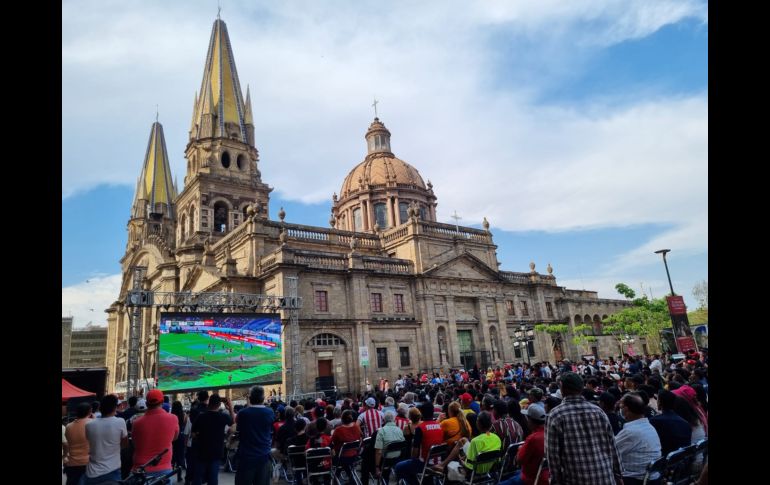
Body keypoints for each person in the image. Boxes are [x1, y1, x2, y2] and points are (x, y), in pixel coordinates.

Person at [546, 372, 623, 485]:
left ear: (561, 387)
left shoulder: (555, 415)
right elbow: (612, 446)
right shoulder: (598, 411)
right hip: (605, 477)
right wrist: (618, 474)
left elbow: (553, 456)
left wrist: (555, 480)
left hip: (575, 479)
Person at [132, 389, 180, 481]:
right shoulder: (173, 418)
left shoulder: (137, 423)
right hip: (164, 469)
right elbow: (175, 438)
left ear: (146, 403)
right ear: (162, 402)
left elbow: (135, 444)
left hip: (141, 470)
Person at [615, 393, 662, 485]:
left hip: (635, 479)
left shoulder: (631, 431)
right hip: (650, 477)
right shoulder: (648, 427)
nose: (619, 408)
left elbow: (610, 452)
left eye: (621, 406)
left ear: (626, 409)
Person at [83, 394, 129, 484]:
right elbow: (125, 444)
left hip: (92, 473)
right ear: (115, 408)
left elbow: (91, 442)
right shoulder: (120, 422)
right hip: (112, 472)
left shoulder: (89, 425)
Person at [190, 394, 234, 485]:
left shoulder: (201, 416)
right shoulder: (223, 417)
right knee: (213, 478)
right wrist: (230, 407)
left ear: (209, 403)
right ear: (219, 405)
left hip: (201, 451)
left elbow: (193, 434)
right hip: (216, 452)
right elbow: (232, 422)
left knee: (197, 477)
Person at [499, 404, 548, 485]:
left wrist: (520, 449)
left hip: (531, 478)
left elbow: (519, 460)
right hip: (545, 475)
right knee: (508, 476)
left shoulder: (533, 438)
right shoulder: (550, 433)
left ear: (531, 420)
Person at [235, 385, 275, 485]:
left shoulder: (243, 413)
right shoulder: (269, 412)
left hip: (246, 457)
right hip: (263, 456)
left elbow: (239, 430)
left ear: (250, 398)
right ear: (262, 398)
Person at [649, 390, 691, 456]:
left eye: (657, 400)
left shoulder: (655, 421)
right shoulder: (685, 422)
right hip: (682, 460)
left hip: (664, 460)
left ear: (660, 402)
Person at [63, 402, 93, 485]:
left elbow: (68, 442)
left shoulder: (68, 426)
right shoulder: (92, 423)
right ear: (90, 411)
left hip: (72, 463)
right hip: (88, 462)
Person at [374, 411, 405, 482]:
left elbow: (378, 451)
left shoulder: (381, 431)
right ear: (394, 420)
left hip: (386, 459)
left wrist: (377, 467)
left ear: (384, 420)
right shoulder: (399, 430)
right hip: (398, 458)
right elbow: (403, 445)